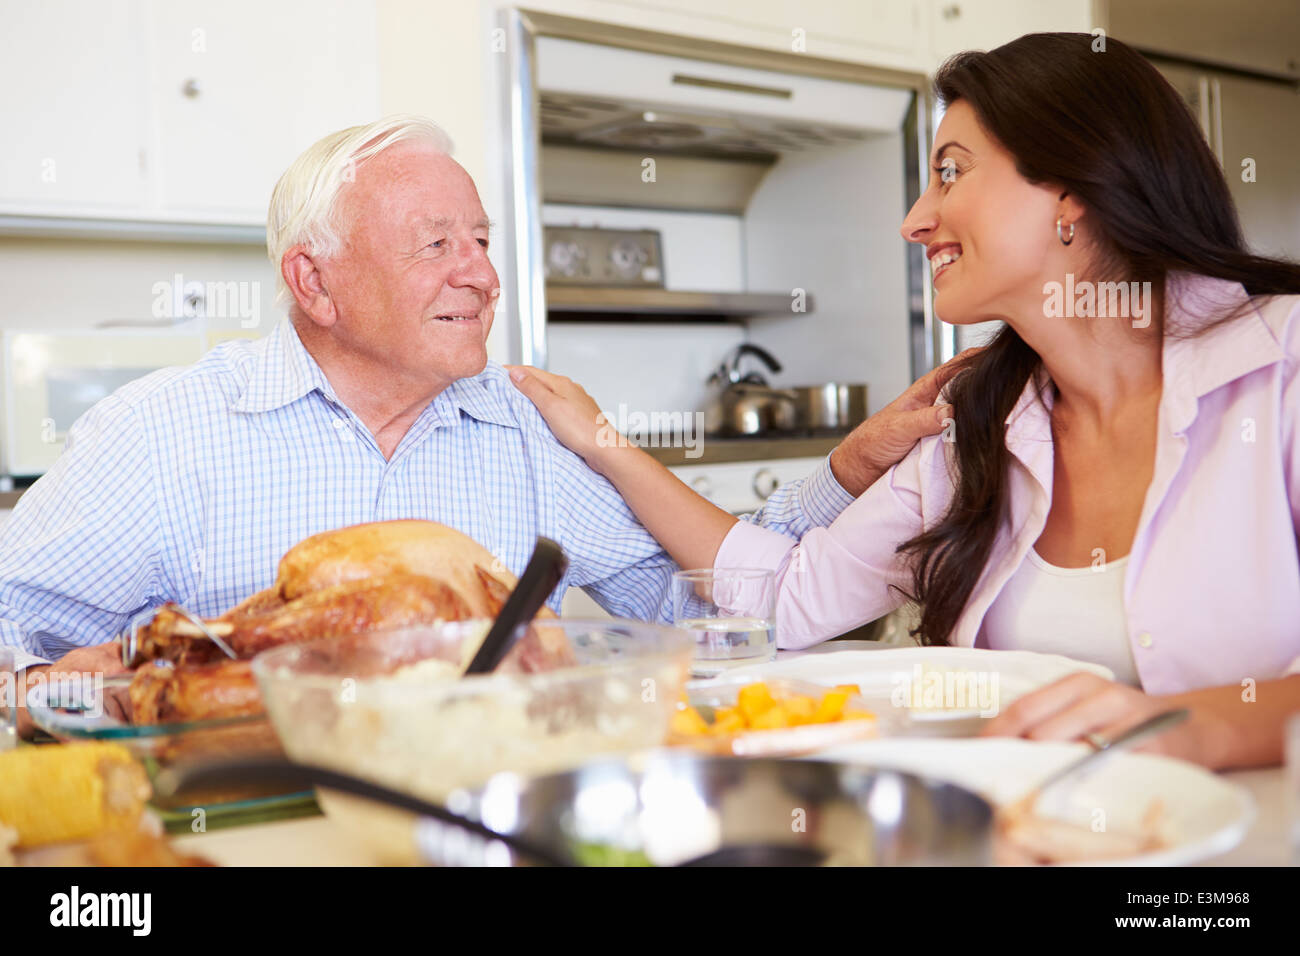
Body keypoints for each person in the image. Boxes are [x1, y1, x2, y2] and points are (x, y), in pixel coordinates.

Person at [0, 115, 959, 736]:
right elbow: (13, 638)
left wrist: (846, 468)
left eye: (483, 242)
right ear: (313, 283)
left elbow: (711, 598)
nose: (484, 276)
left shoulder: (526, 429)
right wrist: (60, 684)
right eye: (436, 246)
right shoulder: (167, 432)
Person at [508, 34, 1300, 770]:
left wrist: (1181, 727)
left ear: (1070, 191)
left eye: (951, 171)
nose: (916, 219)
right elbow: (783, 596)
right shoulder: (977, 429)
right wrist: (602, 439)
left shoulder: (1284, 366)